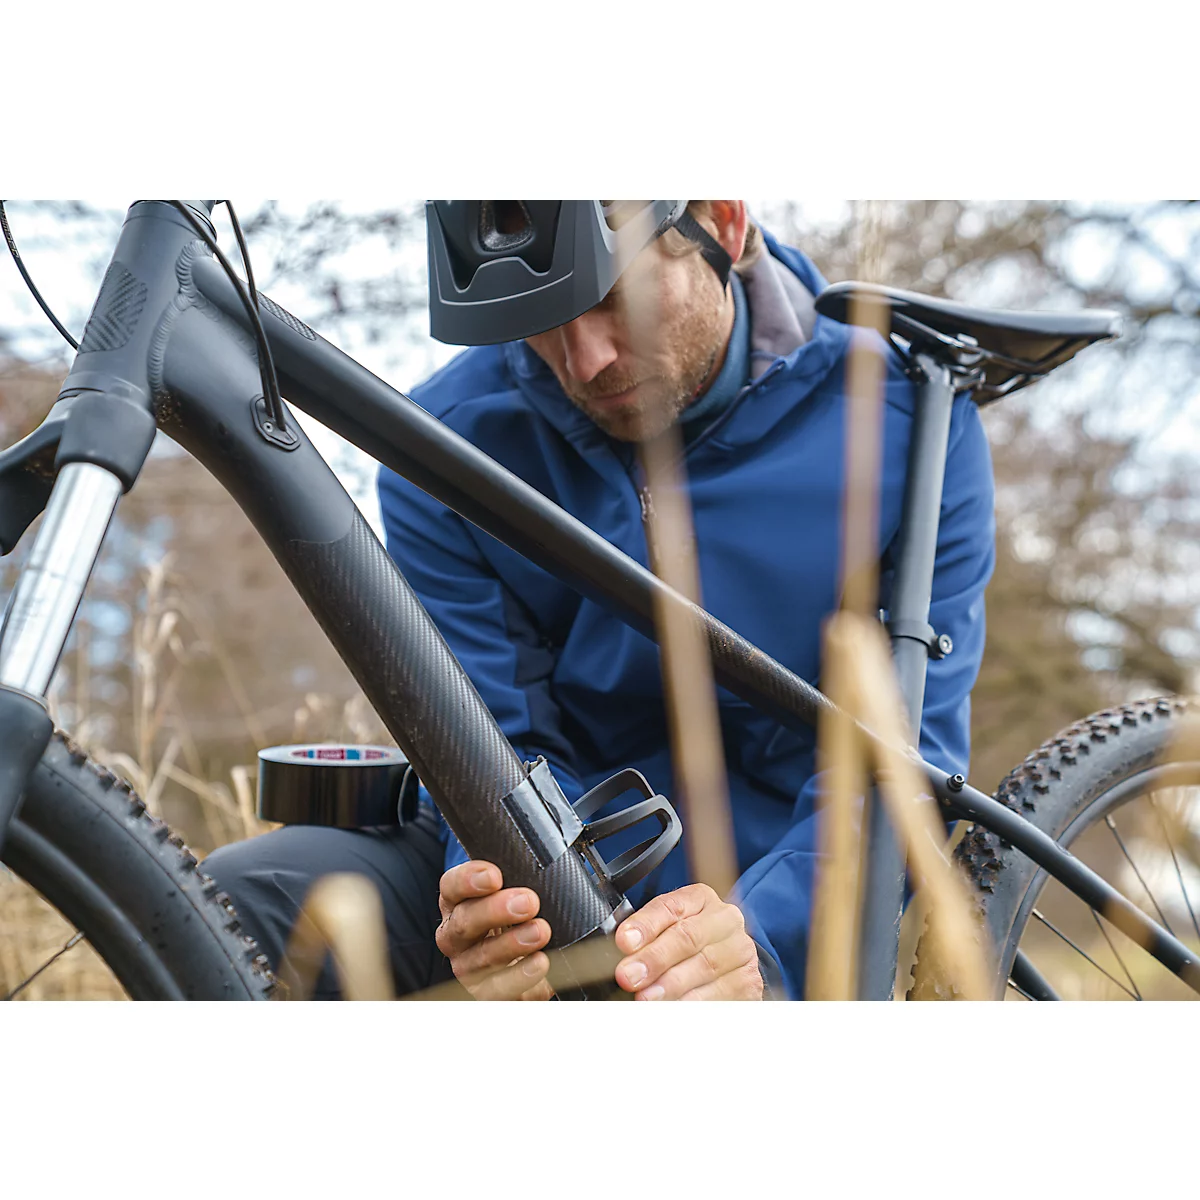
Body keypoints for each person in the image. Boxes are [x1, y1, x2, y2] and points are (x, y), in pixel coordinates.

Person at [203, 201, 995, 1001]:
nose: (585, 362)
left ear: (720, 221)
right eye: (539, 322)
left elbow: (900, 761)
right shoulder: (440, 443)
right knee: (246, 899)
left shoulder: (904, 420)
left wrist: (762, 943)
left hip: (778, 878)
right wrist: (498, 904)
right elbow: (491, 739)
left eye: (617, 299)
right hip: (559, 858)